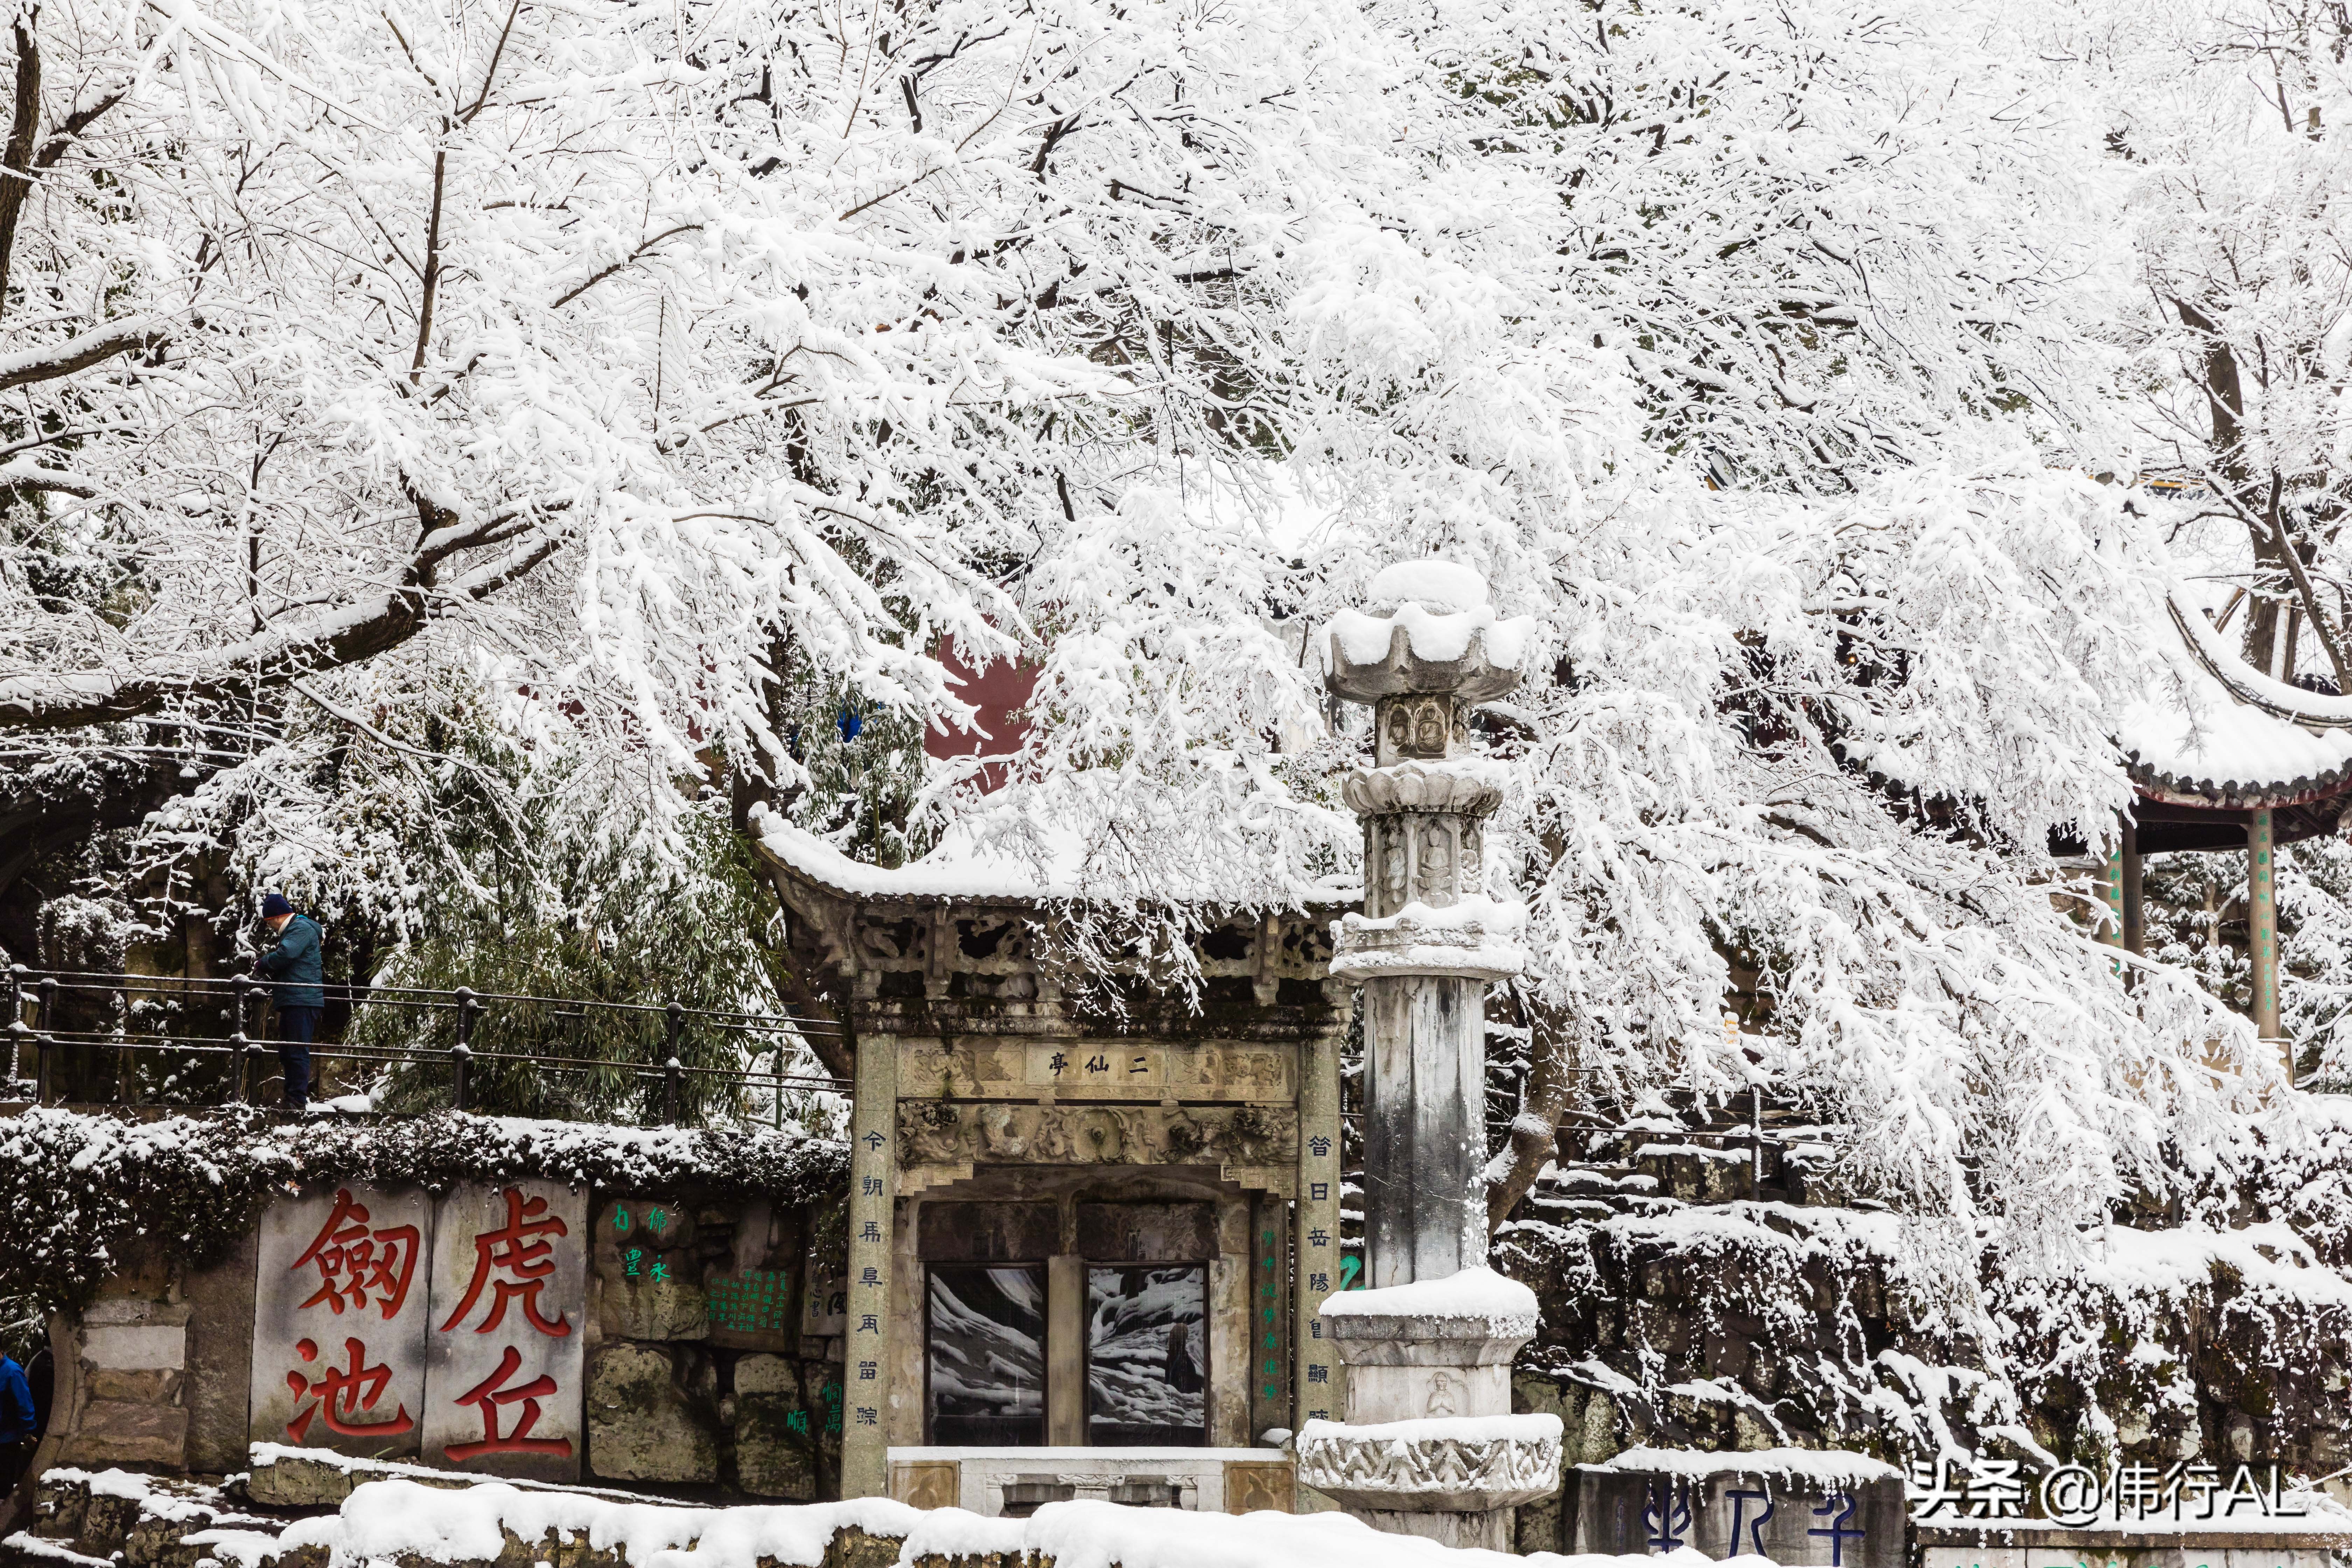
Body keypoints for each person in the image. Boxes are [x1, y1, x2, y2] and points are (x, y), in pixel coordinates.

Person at [252, 893, 324, 1110]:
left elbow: (286, 954)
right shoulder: (297, 929)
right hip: (296, 999)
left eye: (269, 922)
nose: (270, 927)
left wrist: (263, 963)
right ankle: (292, 1099)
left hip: (301, 1000)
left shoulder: (300, 929)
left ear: (276, 917)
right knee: (289, 1052)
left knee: (296, 1051)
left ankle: (297, 1101)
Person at [0, 1350, 35, 1503]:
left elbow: (24, 1403)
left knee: (3, 1486)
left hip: (6, 1440)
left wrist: (28, 1431)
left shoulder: (13, 1371)